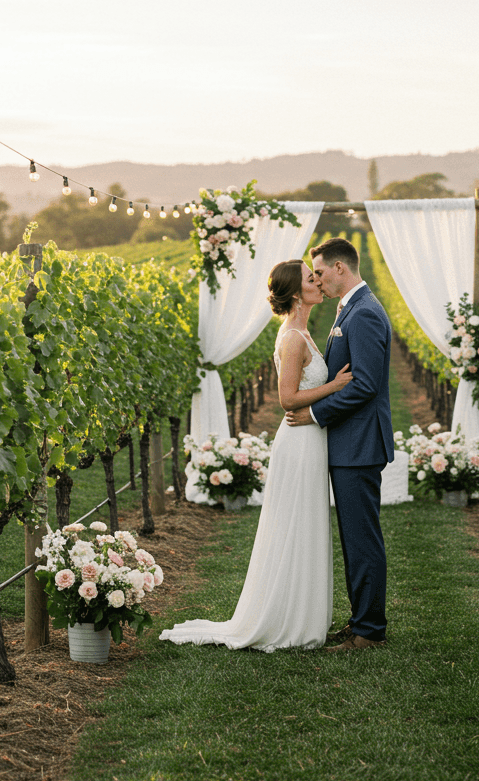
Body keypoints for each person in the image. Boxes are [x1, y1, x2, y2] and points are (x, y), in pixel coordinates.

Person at [159, 259, 353, 652]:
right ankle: (286, 619)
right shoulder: (293, 337)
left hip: (310, 440)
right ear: (297, 292)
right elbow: (286, 399)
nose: (317, 282)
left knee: (306, 523)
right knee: (294, 525)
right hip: (298, 442)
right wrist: (333, 386)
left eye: (316, 276)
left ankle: (302, 615)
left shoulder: (303, 330)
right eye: (309, 278)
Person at [286, 237, 394, 650]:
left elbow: (364, 384)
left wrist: (314, 414)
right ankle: (362, 620)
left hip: (359, 444)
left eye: (320, 272)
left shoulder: (363, 313)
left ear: (340, 269)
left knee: (361, 537)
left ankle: (369, 630)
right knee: (354, 536)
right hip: (351, 443)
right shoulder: (351, 309)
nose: (317, 280)